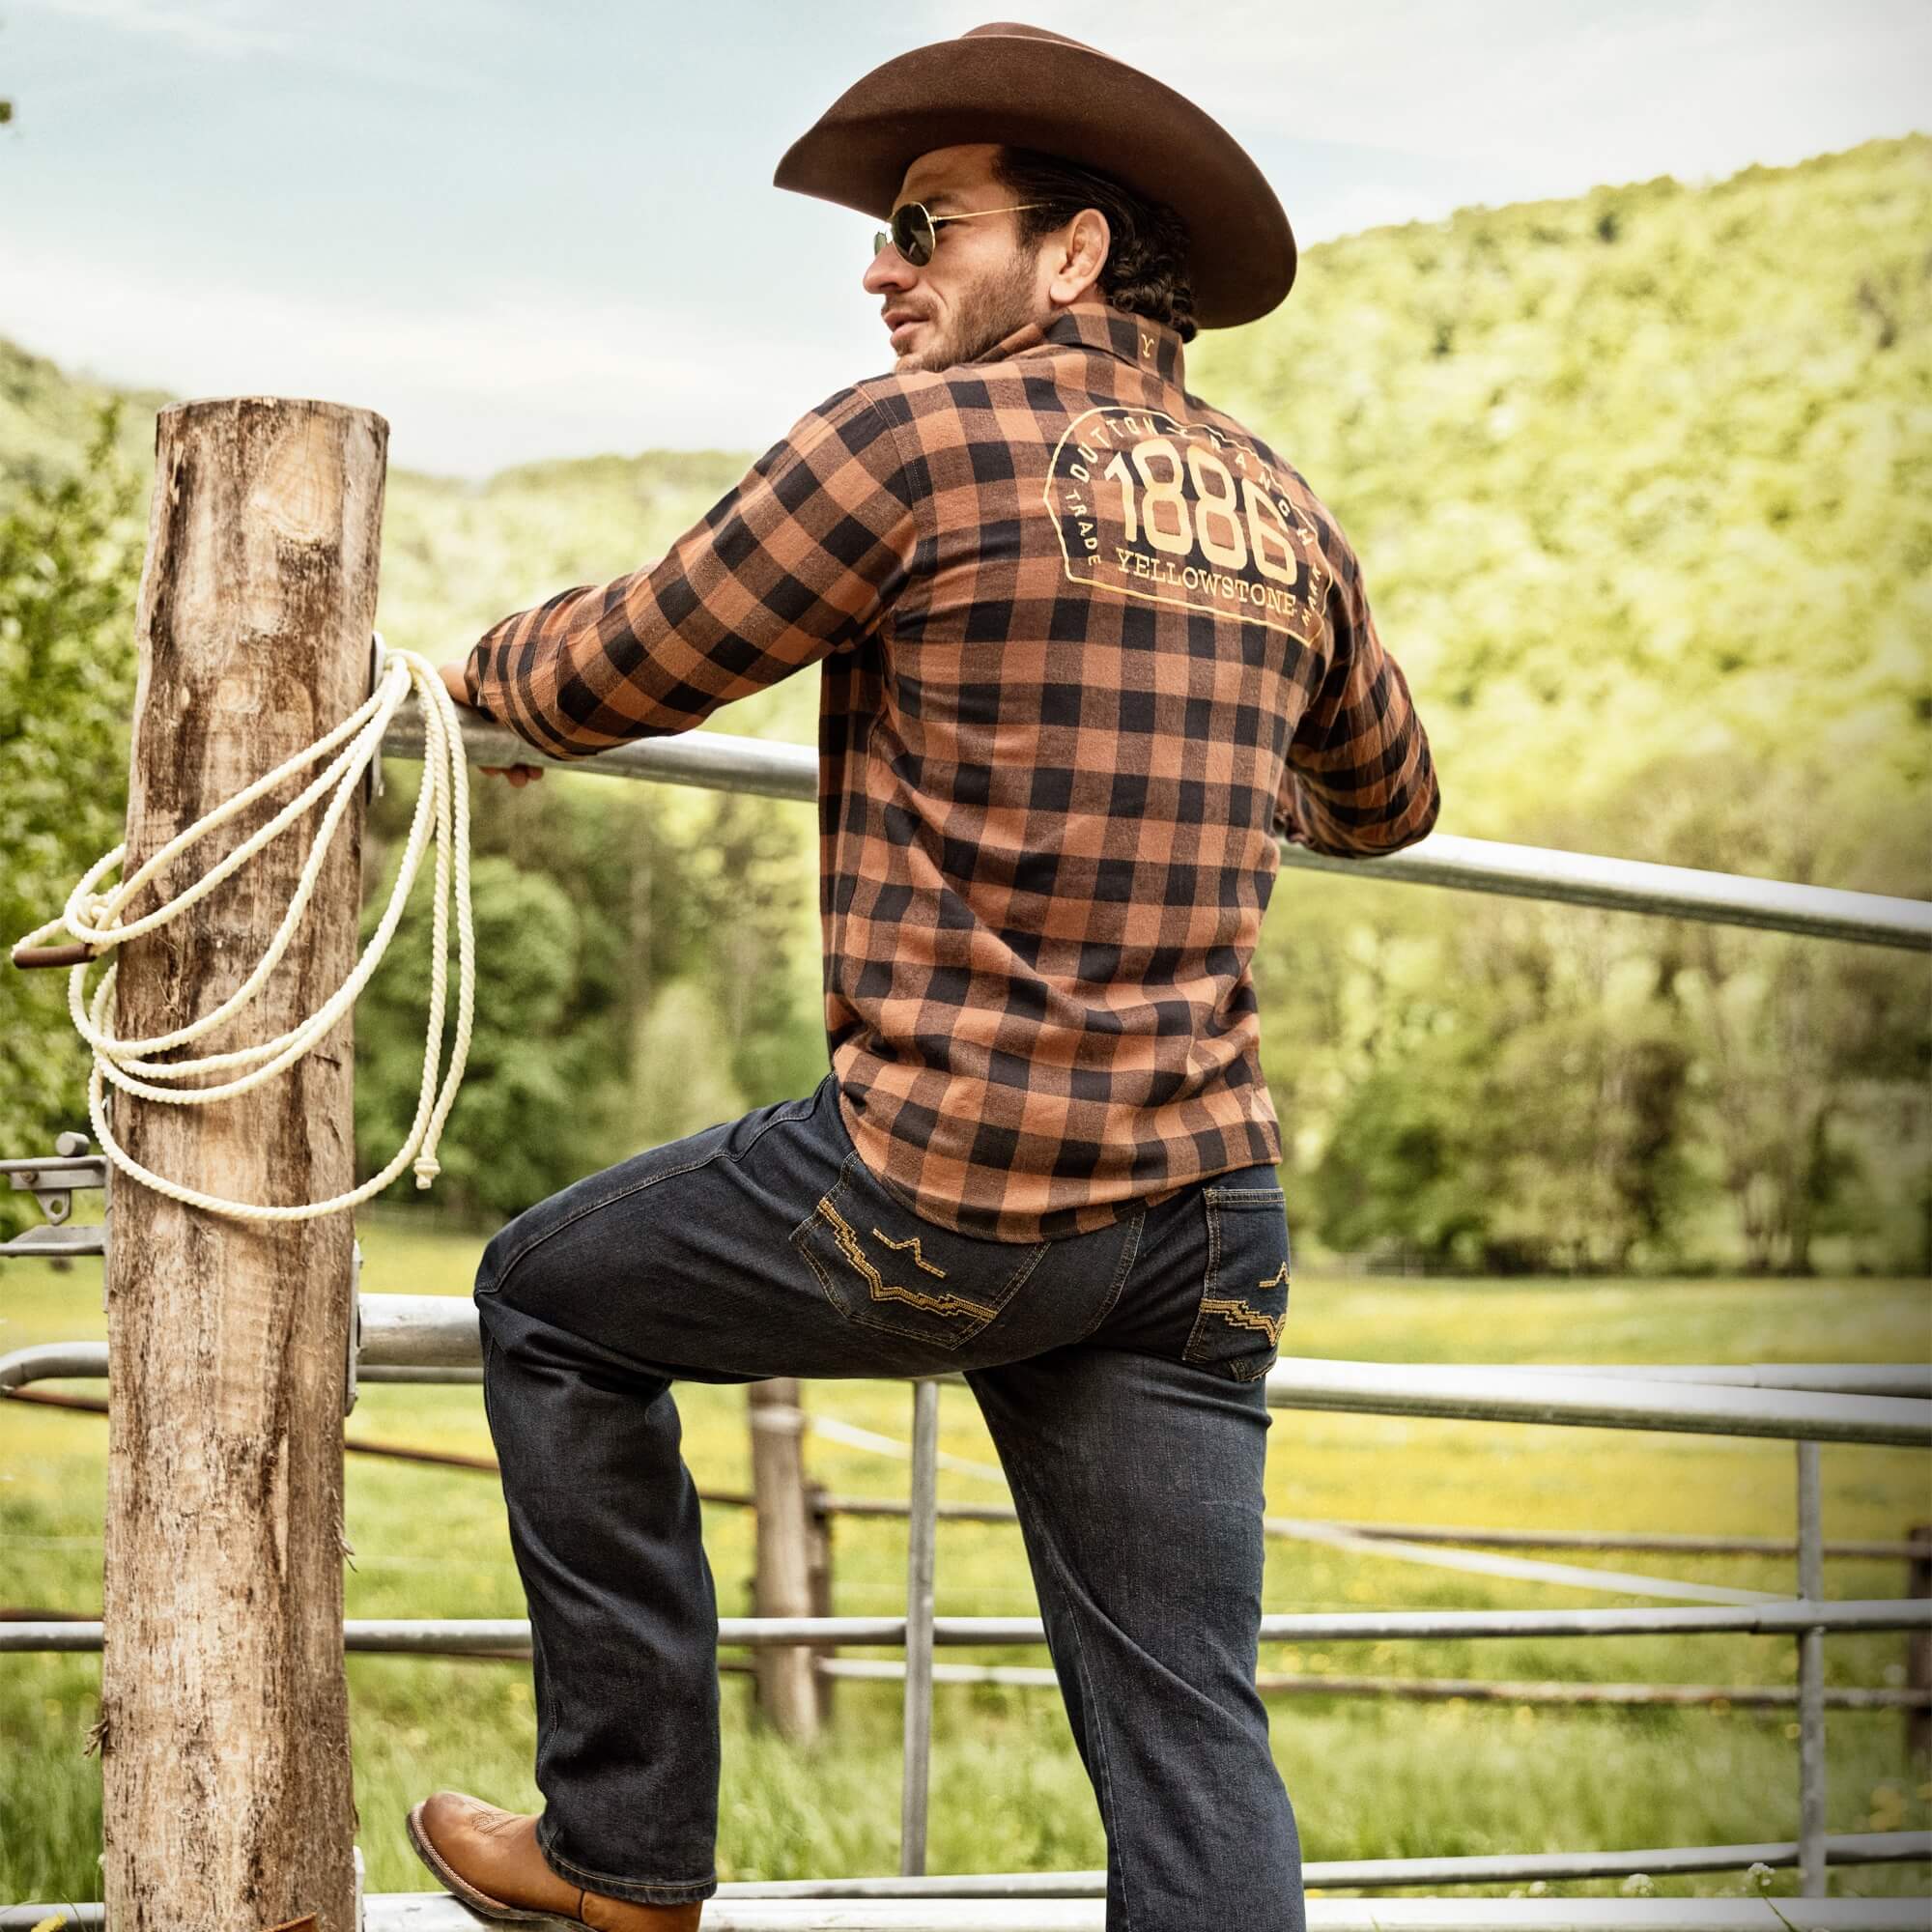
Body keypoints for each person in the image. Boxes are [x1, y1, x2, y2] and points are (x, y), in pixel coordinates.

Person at [409, 22, 1439, 1931]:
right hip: (1199, 1212)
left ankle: (623, 1856)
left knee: (545, 1301)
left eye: (920, 226)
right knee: (1189, 1722)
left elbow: (619, 668)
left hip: (946, 1183)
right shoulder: (1285, 510)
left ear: (1067, 255)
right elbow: (1386, 802)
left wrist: (454, 675)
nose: (876, 267)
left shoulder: (906, 441)